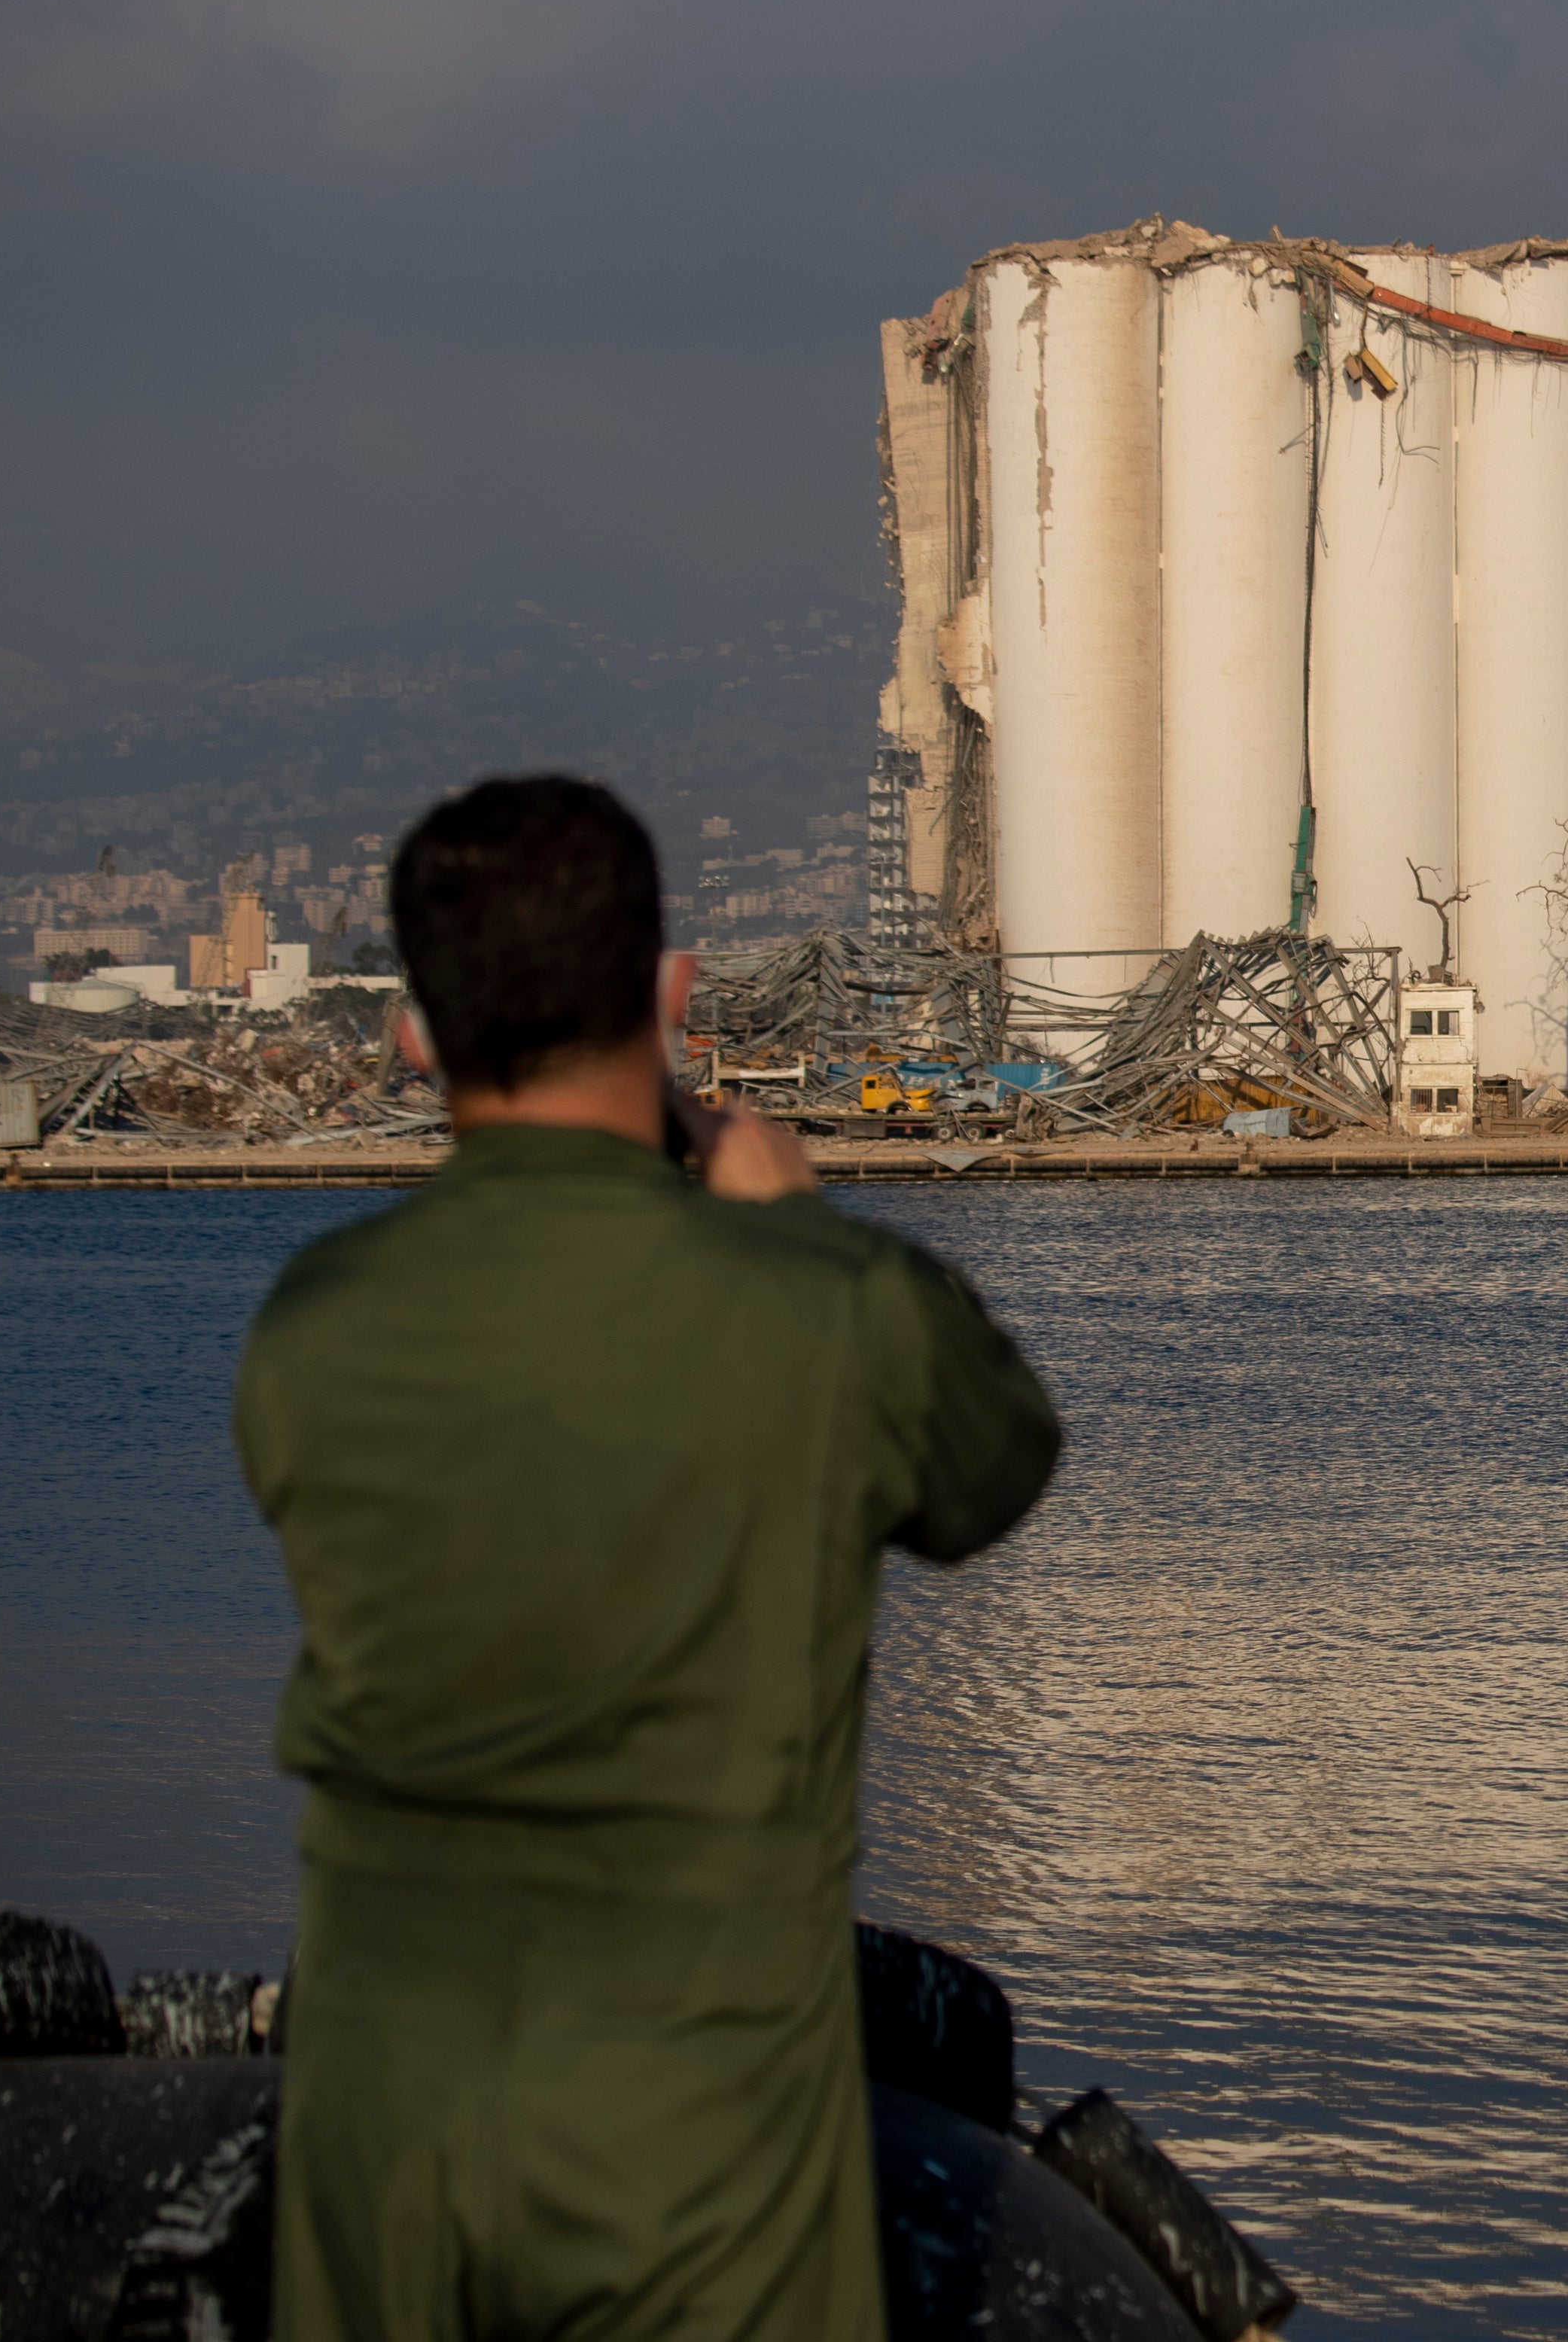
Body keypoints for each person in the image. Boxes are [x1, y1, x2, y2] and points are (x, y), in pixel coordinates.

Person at [235, 775, 1059, 2339]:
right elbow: (997, 1466)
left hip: (381, 2121)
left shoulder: (314, 1327)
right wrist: (799, 1225)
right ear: (675, 996)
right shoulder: (819, 1314)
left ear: (415, 1035)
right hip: (701, 2140)